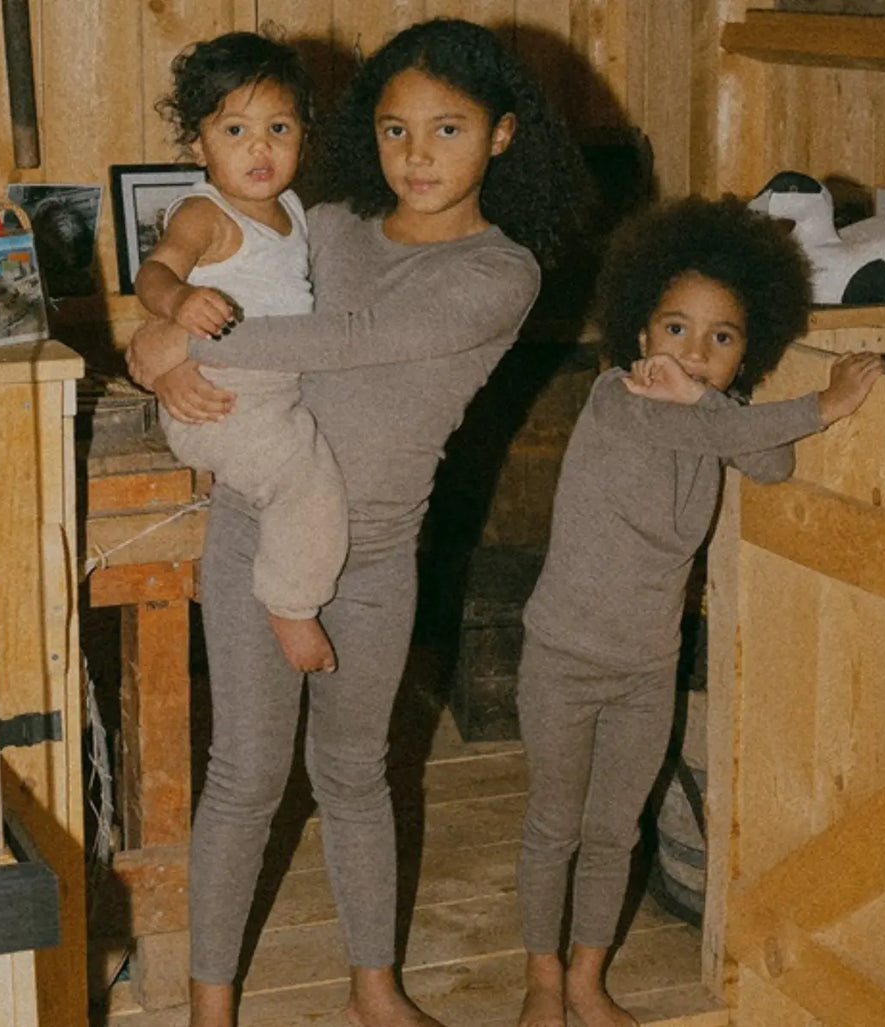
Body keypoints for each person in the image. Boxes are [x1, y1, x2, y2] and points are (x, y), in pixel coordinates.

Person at [125, 18, 589, 1027]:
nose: (416, 155)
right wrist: (154, 339)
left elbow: (353, 337)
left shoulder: (501, 273)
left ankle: (374, 989)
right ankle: (209, 1010)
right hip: (255, 531)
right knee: (243, 777)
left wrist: (176, 346)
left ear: (502, 134)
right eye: (393, 129)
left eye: (447, 129)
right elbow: (205, 277)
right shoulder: (327, 224)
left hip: (376, 559)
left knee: (355, 773)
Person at [514, 195, 885, 1027]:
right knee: (554, 824)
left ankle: (586, 978)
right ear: (639, 330)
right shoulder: (615, 398)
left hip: (646, 669)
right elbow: (735, 435)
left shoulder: (712, 418)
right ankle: (541, 978)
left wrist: (716, 402)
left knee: (616, 830)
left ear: (748, 351)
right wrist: (824, 404)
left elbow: (772, 461)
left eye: (723, 338)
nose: (694, 351)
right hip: (564, 658)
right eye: (676, 328)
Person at [135, 30, 344, 674]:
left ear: (304, 135)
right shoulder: (206, 213)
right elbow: (153, 273)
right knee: (305, 480)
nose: (260, 147)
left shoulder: (293, 208)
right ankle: (290, 603)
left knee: (312, 458)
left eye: (279, 128)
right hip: (220, 396)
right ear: (199, 145)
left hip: (271, 391)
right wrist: (179, 301)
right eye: (235, 131)